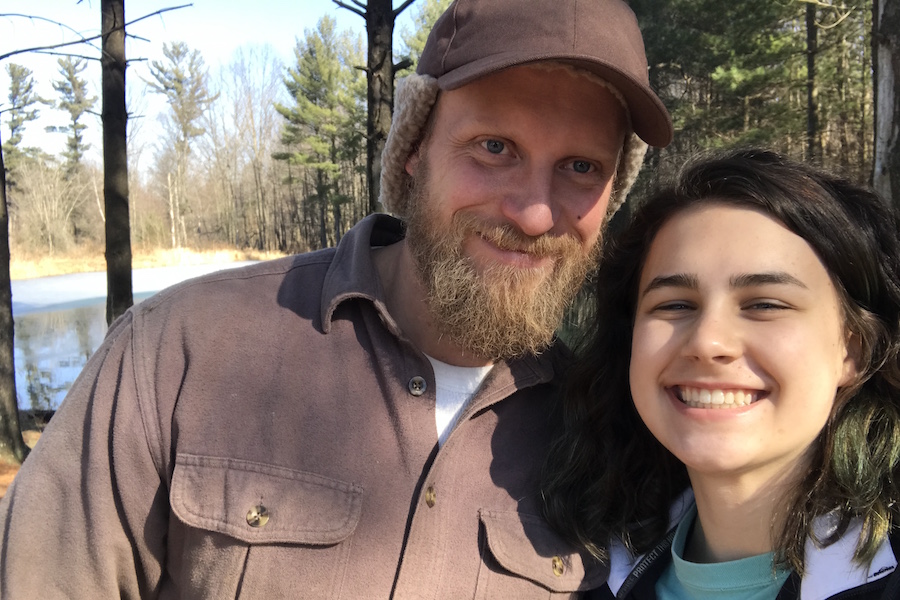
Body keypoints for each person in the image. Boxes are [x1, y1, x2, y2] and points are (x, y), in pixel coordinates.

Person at [0, 0, 673, 597]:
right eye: (494, 147)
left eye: (581, 168)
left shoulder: (602, 435)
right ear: (414, 151)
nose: (533, 213)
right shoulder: (178, 351)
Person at [542, 148, 900, 599]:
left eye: (764, 304)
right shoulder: (576, 571)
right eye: (674, 304)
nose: (707, 342)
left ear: (854, 350)